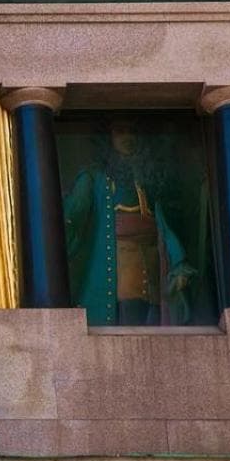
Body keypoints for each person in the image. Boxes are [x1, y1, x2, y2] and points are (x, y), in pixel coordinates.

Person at [63, 119, 197, 325]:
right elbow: (73, 215)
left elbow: (163, 226)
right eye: (120, 131)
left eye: (132, 131)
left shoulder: (147, 180)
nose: (127, 137)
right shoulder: (94, 178)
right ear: (108, 139)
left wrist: (179, 263)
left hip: (153, 274)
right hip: (123, 275)